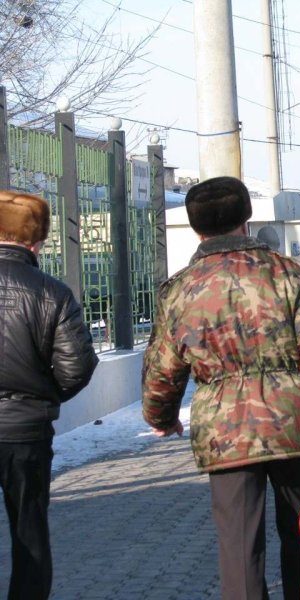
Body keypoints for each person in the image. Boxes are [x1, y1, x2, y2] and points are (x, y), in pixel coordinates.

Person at [141, 176, 300, 600]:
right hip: (291, 424)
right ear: (246, 219)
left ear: (196, 228)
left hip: (226, 434)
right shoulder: (286, 274)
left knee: (239, 546)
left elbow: (163, 366)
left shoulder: (182, 289)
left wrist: (161, 416)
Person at [0, 191, 98, 600]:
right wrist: (41, 397)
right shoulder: (51, 292)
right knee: (29, 529)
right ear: (37, 240)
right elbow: (77, 366)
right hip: (25, 430)